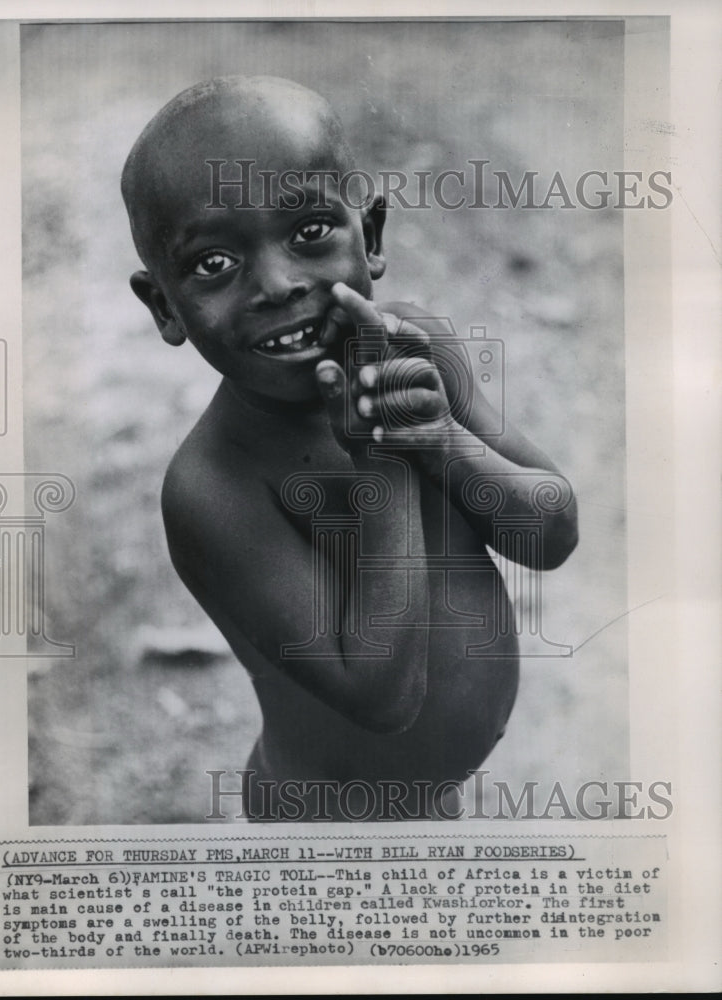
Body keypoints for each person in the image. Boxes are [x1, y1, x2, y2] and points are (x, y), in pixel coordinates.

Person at [121, 76, 578, 821]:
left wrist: (443, 440)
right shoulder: (213, 485)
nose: (277, 283)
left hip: (432, 806)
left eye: (307, 233)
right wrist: (388, 461)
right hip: (321, 828)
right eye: (213, 264)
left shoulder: (417, 347)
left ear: (369, 236)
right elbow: (381, 696)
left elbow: (550, 532)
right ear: (165, 306)